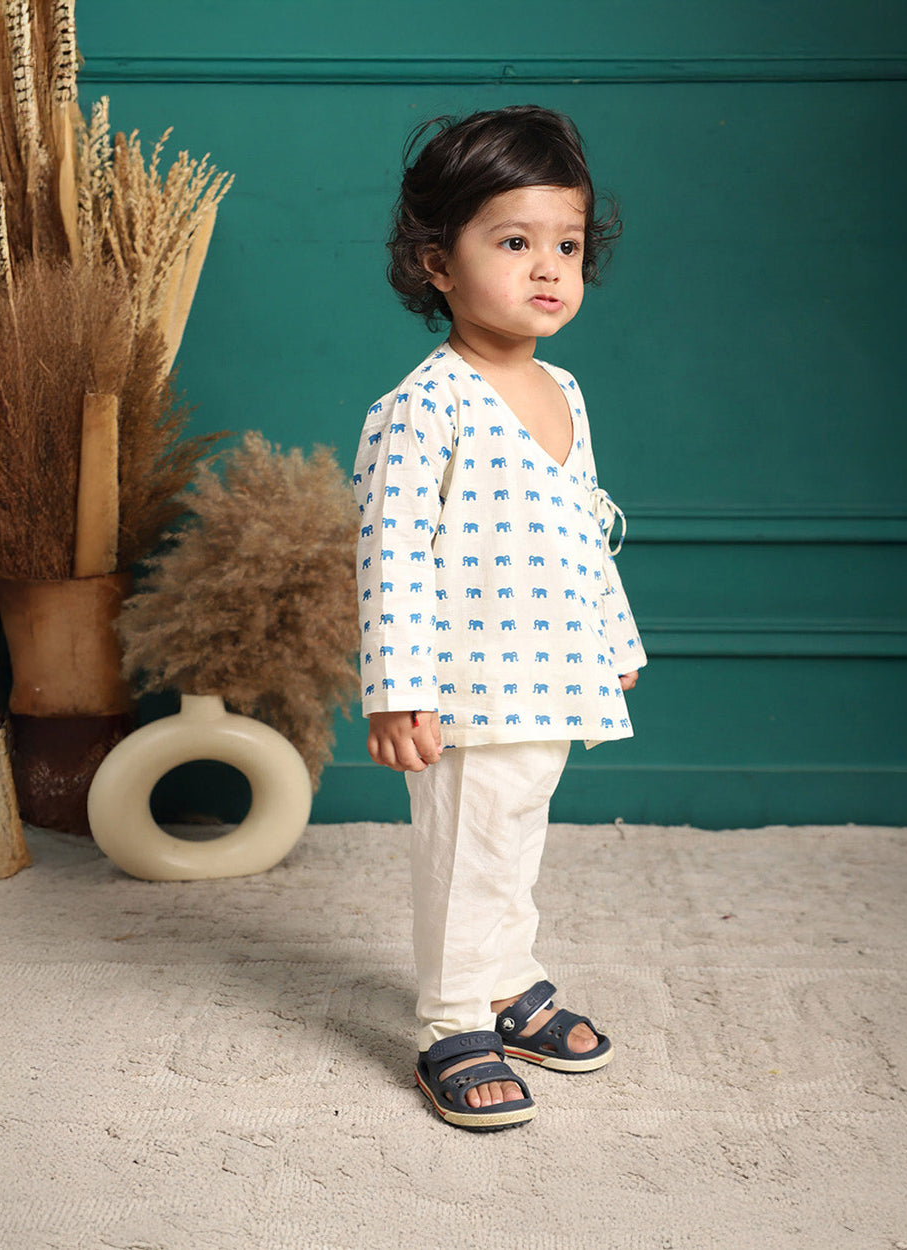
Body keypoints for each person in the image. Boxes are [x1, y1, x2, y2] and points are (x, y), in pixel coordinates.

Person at [353, 105, 647, 1131]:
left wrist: (613, 638)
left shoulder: (562, 388)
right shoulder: (424, 406)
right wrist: (398, 689)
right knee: (465, 851)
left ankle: (508, 978)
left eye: (565, 245)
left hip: (551, 673)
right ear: (437, 263)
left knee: (516, 835)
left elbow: (586, 524)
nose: (548, 269)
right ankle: (451, 1019)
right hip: (466, 685)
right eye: (514, 243)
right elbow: (389, 553)